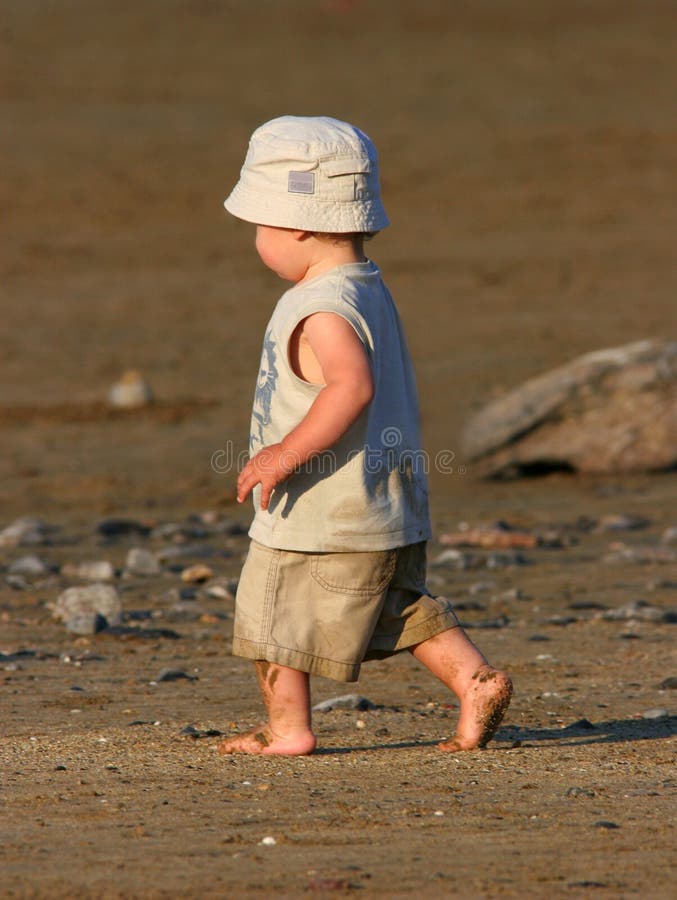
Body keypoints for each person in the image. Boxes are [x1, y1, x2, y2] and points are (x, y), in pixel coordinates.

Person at [218, 116, 512, 756]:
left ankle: (288, 730)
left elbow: (350, 388)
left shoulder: (321, 306)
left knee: (272, 611)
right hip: (387, 502)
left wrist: (283, 454)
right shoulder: (368, 289)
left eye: (260, 227)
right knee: (399, 607)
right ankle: (475, 681)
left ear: (297, 223)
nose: (257, 240)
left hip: (325, 508)